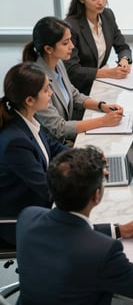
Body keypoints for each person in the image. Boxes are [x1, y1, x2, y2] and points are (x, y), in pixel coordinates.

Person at [16, 146, 133, 304]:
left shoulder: (28, 217)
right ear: (96, 195)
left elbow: (66, 232)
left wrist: (118, 230)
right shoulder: (103, 252)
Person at [22, 16, 124, 144]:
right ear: (48, 49)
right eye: (65, 43)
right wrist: (103, 121)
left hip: (65, 138)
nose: (72, 46)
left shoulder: (58, 63)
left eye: (70, 40)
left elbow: (73, 94)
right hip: (53, 145)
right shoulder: (37, 81)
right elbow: (59, 128)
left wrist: (101, 105)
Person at [0, 62, 67, 245]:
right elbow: (47, 190)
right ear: (29, 100)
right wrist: (84, 181)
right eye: (46, 91)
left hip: (36, 204)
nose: (51, 94)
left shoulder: (27, 117)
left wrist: (85, 160)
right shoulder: (15, 141)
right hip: (19, 220)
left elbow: (53, 147)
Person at [64, 0, 132, 95]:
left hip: (103, 85)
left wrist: (124, 60)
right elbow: (72, 71)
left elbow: (122, 47)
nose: (101, 2)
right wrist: (107, 73)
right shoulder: (71, 26)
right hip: (80, 90)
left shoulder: (108, 16)